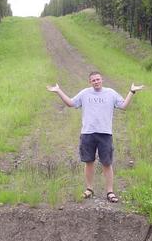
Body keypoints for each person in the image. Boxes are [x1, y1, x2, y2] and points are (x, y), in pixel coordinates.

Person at [47, 71, 144, 203]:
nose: (96, 82)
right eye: (93, 80)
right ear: (90, 82)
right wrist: (58, 91)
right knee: (89, 162)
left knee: (107, 163)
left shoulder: (110, 93)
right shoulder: (85, 93)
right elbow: (71, 103)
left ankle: (110, 191)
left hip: (105, 134)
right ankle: (89, 189)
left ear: (101, 80)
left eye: (98, 79)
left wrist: (132, 91)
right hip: (87, 133)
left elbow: (123, 106)